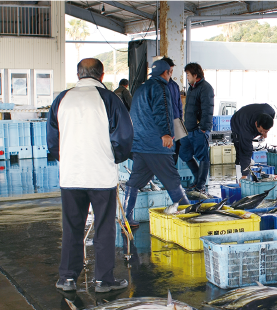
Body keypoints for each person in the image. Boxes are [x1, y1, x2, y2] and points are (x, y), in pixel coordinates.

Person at [47, 58, 133, 293]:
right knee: (104, 227)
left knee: (72, 226)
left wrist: (67, 160)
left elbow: (52, 140)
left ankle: (67, 277)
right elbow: (124, 136)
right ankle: (103, 280)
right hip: (100, 175)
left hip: (70, 175)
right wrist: (114, 157)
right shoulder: (109, 99)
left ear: (78, 75)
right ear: (101, 75)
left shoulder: (61, 99)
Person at [123, 58, 191, 228]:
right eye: (171, 73)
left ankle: (126, 217)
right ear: (166, 72)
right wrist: (166, 134)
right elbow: (163, 112)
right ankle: (192, 217)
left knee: (135, 182)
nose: (171, 76)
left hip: (140, 144)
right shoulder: (160, 87)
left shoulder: (140, 88)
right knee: (172, 180)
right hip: (156, 146)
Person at [181, 62, 214, 193]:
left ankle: (200, 185)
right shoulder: (191, 88)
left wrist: (203, 128)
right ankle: (197, 179)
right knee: (185, 154)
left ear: (195, 75)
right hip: (188, 129)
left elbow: (208, 109)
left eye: (188, 74)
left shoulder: (206, 88)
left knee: (203, 157)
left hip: (199, 130)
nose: (187, 77)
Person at [230, 103, 275, 180]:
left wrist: (263, 132)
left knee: (246, 155)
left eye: (266, 131)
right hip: (237, 122)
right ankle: (239, 177)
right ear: (256, 123)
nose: (265, 135)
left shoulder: (270, 111)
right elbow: (246, 151)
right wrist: (245, 174)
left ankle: (247, 164)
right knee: (241, 151)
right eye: (261, 131)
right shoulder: (246, 130)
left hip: (252, 115)